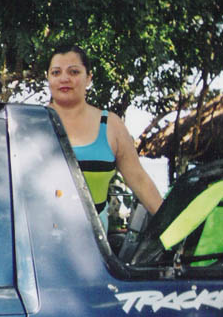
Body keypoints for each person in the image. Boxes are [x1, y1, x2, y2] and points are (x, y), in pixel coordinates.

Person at [46, 44, 163, 228]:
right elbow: (2, 173)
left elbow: (139, 179)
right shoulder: (30, 120)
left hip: (93, 245)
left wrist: (174, 230)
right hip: (36, 240)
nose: (64, 78)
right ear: (48, 78)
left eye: (74, 72)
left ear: (89, 78)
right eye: (56, 72)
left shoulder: (111, 125)